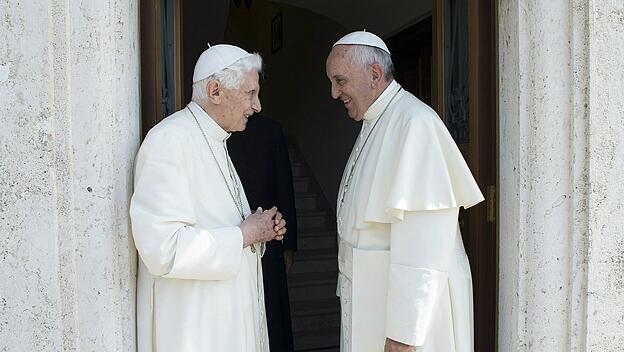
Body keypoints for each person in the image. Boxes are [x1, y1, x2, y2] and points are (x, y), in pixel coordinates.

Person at [325, 31, 484, 352]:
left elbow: (424, 238)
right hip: (374, 300)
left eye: (340, 80)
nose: (333, 92)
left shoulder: (414, 123)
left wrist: (404, 332)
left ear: (374, 74)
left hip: (408, 319)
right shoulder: (379, 120)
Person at [130, 44, 287, 352]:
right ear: (216, 91)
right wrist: (245, 234)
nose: (257, 106)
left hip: (224, 323)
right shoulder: (169, 141)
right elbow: (163, 248)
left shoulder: (215, 141)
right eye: (250, 93)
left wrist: (260, 230)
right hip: (195, 330)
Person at [228, 115, 298, 352]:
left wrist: (289, 244)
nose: (255, 103)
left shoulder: (271, 129)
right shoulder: (212, 133)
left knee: (273, 316)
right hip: (229, 244)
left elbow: (284, 186)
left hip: (270, 241)